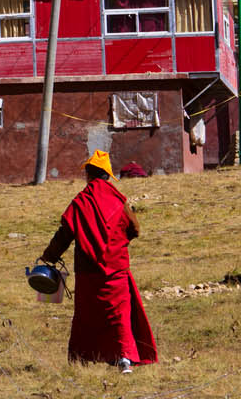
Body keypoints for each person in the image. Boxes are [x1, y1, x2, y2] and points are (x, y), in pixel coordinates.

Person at [37, 150, 157, 373]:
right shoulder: (119, 201)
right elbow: (135, 229)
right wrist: (118, 243)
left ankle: (83, 358)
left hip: (88, 271)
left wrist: (49, 257)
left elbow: (65, 234)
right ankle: (124, 359)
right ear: (107, 175)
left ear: (89, 175)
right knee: (119, 313)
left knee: (87, 315)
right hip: (117, 268)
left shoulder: (82, 201)